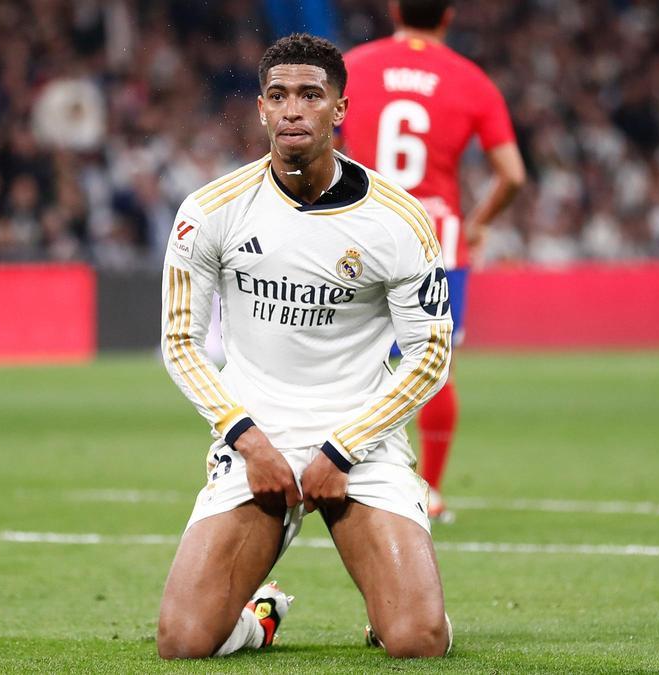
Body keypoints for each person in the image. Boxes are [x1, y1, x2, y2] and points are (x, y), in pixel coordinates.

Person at [156, 34, 454, 659]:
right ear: (261, 109)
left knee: (416, 640)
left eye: (310, 95)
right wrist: (247, 438)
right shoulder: (209, 212)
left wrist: (343, 449)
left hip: (360, 443)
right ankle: (261, 616)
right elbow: (180, 342)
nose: (293, 109)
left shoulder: (397, 219)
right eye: (278, 95)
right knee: (183, 642)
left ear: (339, 109)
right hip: (256, 439)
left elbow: (430, 355)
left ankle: (392, 606)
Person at [340, 0, 527, 521]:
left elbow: (320, 143)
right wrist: (481, 221)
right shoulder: (471, 80)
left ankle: (340, 473)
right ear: (448, 15)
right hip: (436, 237)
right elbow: (512, 173)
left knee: (351, 360)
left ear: (394, 9)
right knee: (434, 368)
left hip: (361, 231)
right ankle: (430, 490)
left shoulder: (353, 66)